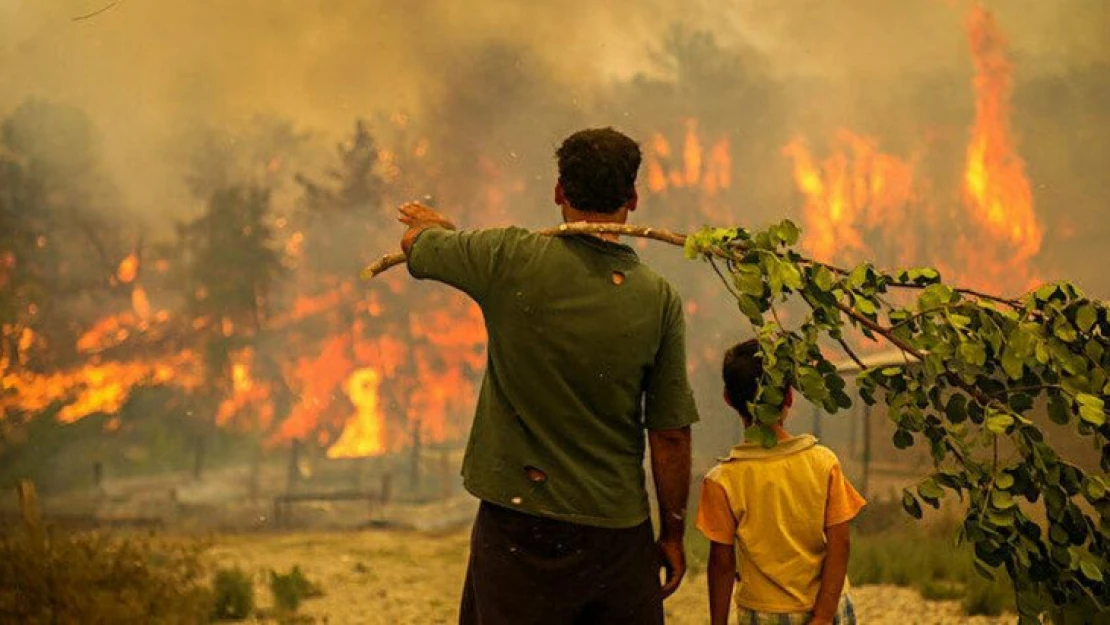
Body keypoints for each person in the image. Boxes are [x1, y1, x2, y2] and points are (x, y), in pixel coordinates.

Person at [397, 127, 700, 625]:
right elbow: (669, 434)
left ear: (559, 192)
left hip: (518, 526)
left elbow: (417, 244)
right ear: (633, 198)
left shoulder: (507, 259)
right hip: (615, 533)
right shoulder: (658, 298)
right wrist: (671, 533)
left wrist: (438, 229)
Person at [697, 339, 866, 625]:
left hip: (763, 615)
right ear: (789, 396)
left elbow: (722, 564)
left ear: (728, 398)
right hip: (827, 608)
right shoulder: (823, 462)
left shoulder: (722, 481)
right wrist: (823, 616)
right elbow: (841, 543)